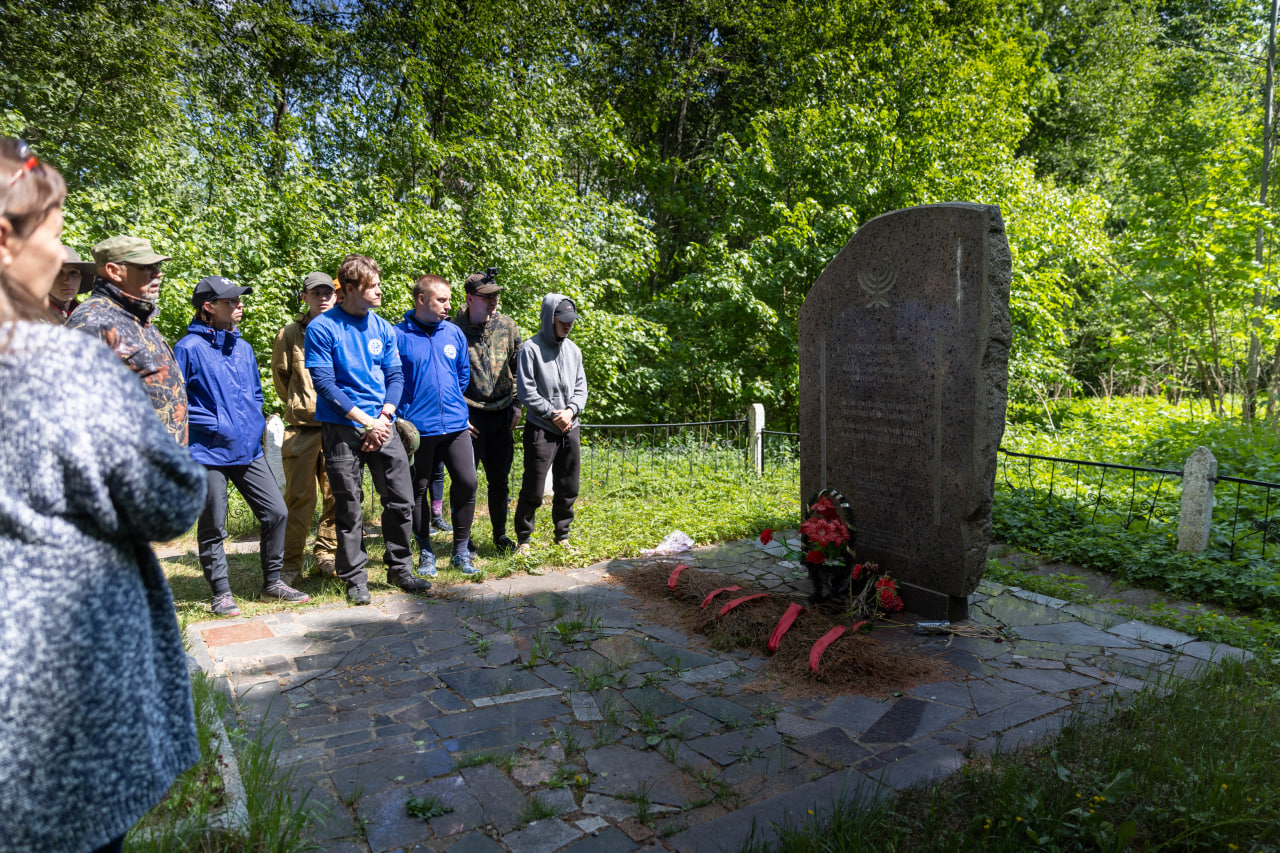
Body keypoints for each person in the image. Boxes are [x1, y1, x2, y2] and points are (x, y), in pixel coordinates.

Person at [0, 137, 206, 853]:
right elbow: (173, 499)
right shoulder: (58, 358)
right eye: (54, 236)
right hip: (48, 689)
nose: (63, 264)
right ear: (7, 238)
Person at [176, 276, 309, 616]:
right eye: (231, 301)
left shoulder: (244, 347)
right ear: (209, 306)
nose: (239, 305)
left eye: (239, 300)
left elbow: (255, 393)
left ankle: (273, 583)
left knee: (276, 512)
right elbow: (177, 402)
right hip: (207, 452)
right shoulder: (188, 348)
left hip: (248, 450)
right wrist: (213, 426)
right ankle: (221, 592)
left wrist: (253, 424)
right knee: (213, 524)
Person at [304, 254, 432, 604]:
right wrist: (365, 421)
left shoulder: (382, 327)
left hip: (383, 423)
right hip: (342, 426)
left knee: (402, 499)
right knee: (349, 505)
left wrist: (385, 417)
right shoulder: (322, 327)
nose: (379, 291)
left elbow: (395, 376)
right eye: (372, 286)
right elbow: (325, 384)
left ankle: (400, 568)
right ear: (348, 290)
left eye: (378, 284)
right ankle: (355, 577)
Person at [66, 233, 189, 445]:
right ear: (114, 271)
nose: (158, 274)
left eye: (157, 266)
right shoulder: (92, 322)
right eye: (145, 267)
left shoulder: (138, 317)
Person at [395, 274, 480, 574]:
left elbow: (462, 375)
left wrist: (453, 405)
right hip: (418, 430)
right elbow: (392, 381)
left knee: (468, 483)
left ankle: (460, 552)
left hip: (456, 425)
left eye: (448, 299)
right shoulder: (398, 335)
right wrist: (402, 417)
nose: (448, 305)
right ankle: (426, 552)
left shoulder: (454, 333)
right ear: (421, 300)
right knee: (417, 489)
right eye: (441, 300)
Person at [271, 271, 340, 579]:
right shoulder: (289, 334)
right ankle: (290, 565)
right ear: (305, 297)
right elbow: (281, 379)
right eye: (316, 293)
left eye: (328, 292)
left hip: (339, 427)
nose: (323, 297)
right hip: (302, 429)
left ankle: (327, 556)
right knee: (299, 498)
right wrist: (302, 405)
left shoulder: (344, 329)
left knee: (338, 496)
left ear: (336, 296)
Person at [454, 268, 523, 553]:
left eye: (495, 295)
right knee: (465, 482)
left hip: (503, 414)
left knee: (500, 481)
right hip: (469, 417)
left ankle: (499, 535)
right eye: (486, 297)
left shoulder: (507, 326)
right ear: (470, 299)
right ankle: (463, 539)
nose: (493, 301)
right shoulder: (453, 329)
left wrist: (518, 405)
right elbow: (446, 377)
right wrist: (458, 415)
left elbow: (520, 368)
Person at [514, 294, 587, 550]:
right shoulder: (530, 349)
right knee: (533, 487)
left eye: (571, 320)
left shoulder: (574, 350)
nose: (568, 325)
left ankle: (562, 535)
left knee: (568, 485)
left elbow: (581, 388)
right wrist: (553, 414)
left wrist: (570, 411)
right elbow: (526, 392)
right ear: (549, 318)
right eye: (562, 320)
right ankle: (524, 539)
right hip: (542, 428)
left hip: (570, 426)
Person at [46, 244, 93, 321]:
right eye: (58, 273)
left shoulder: (88, 317)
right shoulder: (30, 317)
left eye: (74, 273)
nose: (67, 281)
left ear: (81, 278)